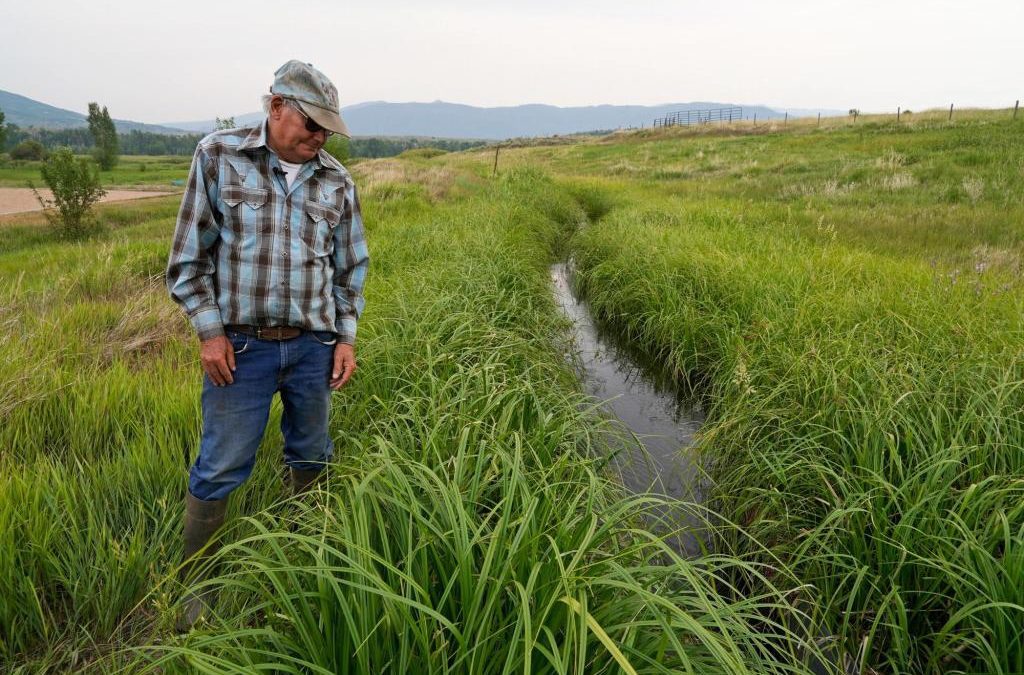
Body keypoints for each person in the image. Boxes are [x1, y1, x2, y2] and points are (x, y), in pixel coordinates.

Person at [165, 59, 369, 629]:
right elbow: (187, 260)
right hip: (241, 349)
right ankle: (196, 587)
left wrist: (344, 338)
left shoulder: (337, 182)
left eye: (327, 128)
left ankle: (303, 555)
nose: (319, 137)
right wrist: (208, 331)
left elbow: (350, 269)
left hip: (314, 347)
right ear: (276, 106)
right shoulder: (217, 156)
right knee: (221, 464)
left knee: (311, 451)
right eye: (310, 123)